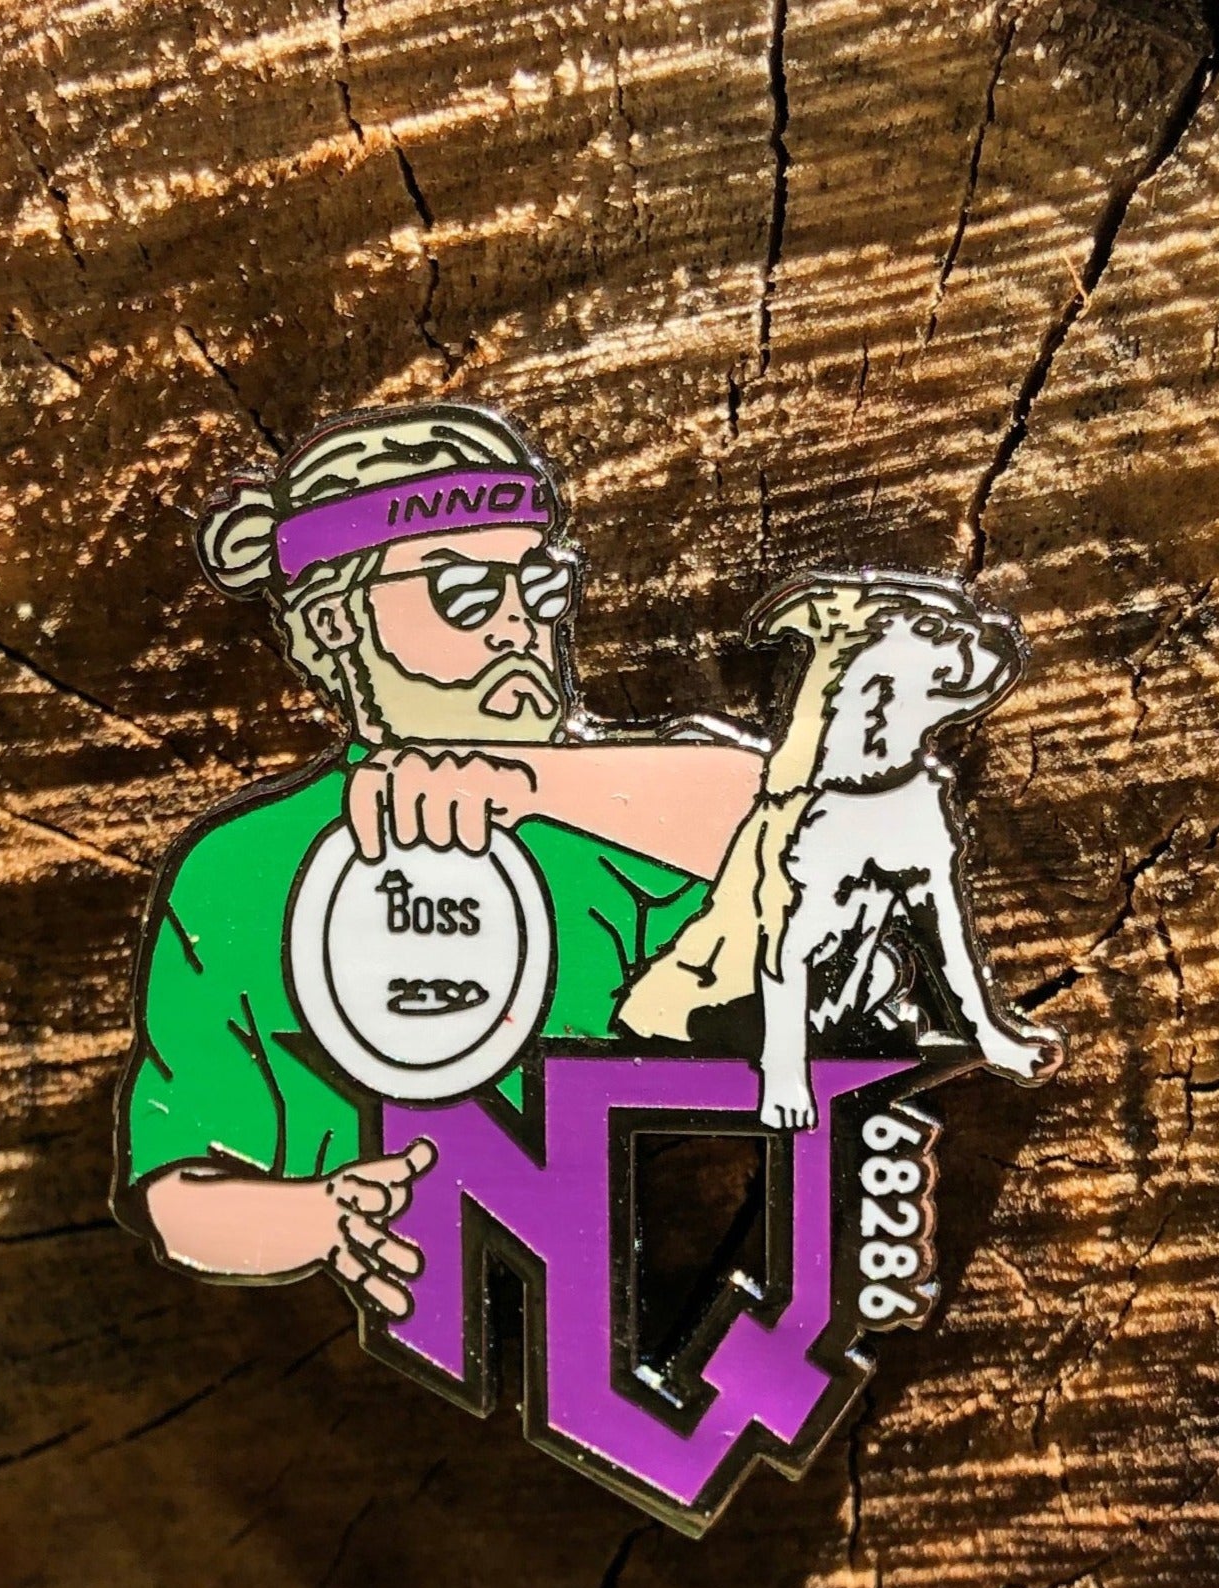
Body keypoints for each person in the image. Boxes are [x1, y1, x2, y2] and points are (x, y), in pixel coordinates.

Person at [115, 402, 763, 1315]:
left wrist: (529, 784)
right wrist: (317, 1219)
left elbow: (798, 821)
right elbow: (181, 1187)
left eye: (541, 587)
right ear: (335, 621)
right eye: (464, 594)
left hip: (661, 1282)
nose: (519, 626)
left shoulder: (614, 818)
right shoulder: (242, 870)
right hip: (399, 1335)